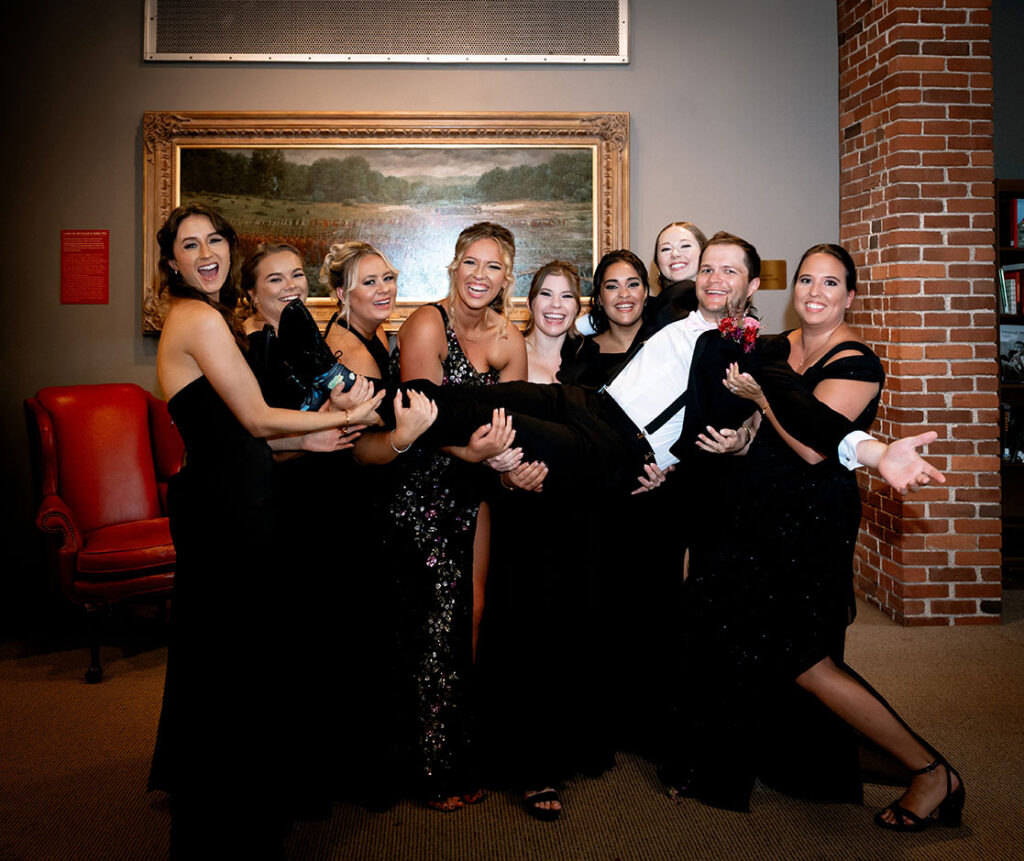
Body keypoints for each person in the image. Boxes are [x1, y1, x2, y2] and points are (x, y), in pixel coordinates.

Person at [668, 243, 964, 831]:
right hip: (751, 510)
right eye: (806, 280)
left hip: (810, 519)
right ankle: (759, 758)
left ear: (849, 296)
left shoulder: (856, 362)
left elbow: (811, 446)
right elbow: (759, 429)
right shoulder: (776, 348)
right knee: (739, 637)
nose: (815, 293)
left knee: (805, 659)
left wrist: (763, 397)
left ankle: (931, 770)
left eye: (830, 284)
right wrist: (739, 436)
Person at [147, 207, 383, 856]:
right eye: (189, 245)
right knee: (231, 668)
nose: (206, 252)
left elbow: (239, 436)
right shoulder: (197, 317)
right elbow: (253, 419)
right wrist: (354, 410)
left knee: (237, 666)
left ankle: (240, 811)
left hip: (238, 495)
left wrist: (318, 440)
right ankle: (226, 828)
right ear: (172, 263)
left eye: (215, 239)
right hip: (227, 511)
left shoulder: (213, 319)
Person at [387, 221, 526, 812]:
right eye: (471, 262)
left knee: (470, 611)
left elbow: (515, 422)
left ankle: (458, 748)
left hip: (476, 486)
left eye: (493, 267)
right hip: (419, 484)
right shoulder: (427, 322)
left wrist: (510, 462)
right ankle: (425, 765)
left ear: (506, 277)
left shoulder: (509, 339)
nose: (479, 276)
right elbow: (421, 417)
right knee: (428, 615)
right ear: (453, 265)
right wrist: (473, 449)